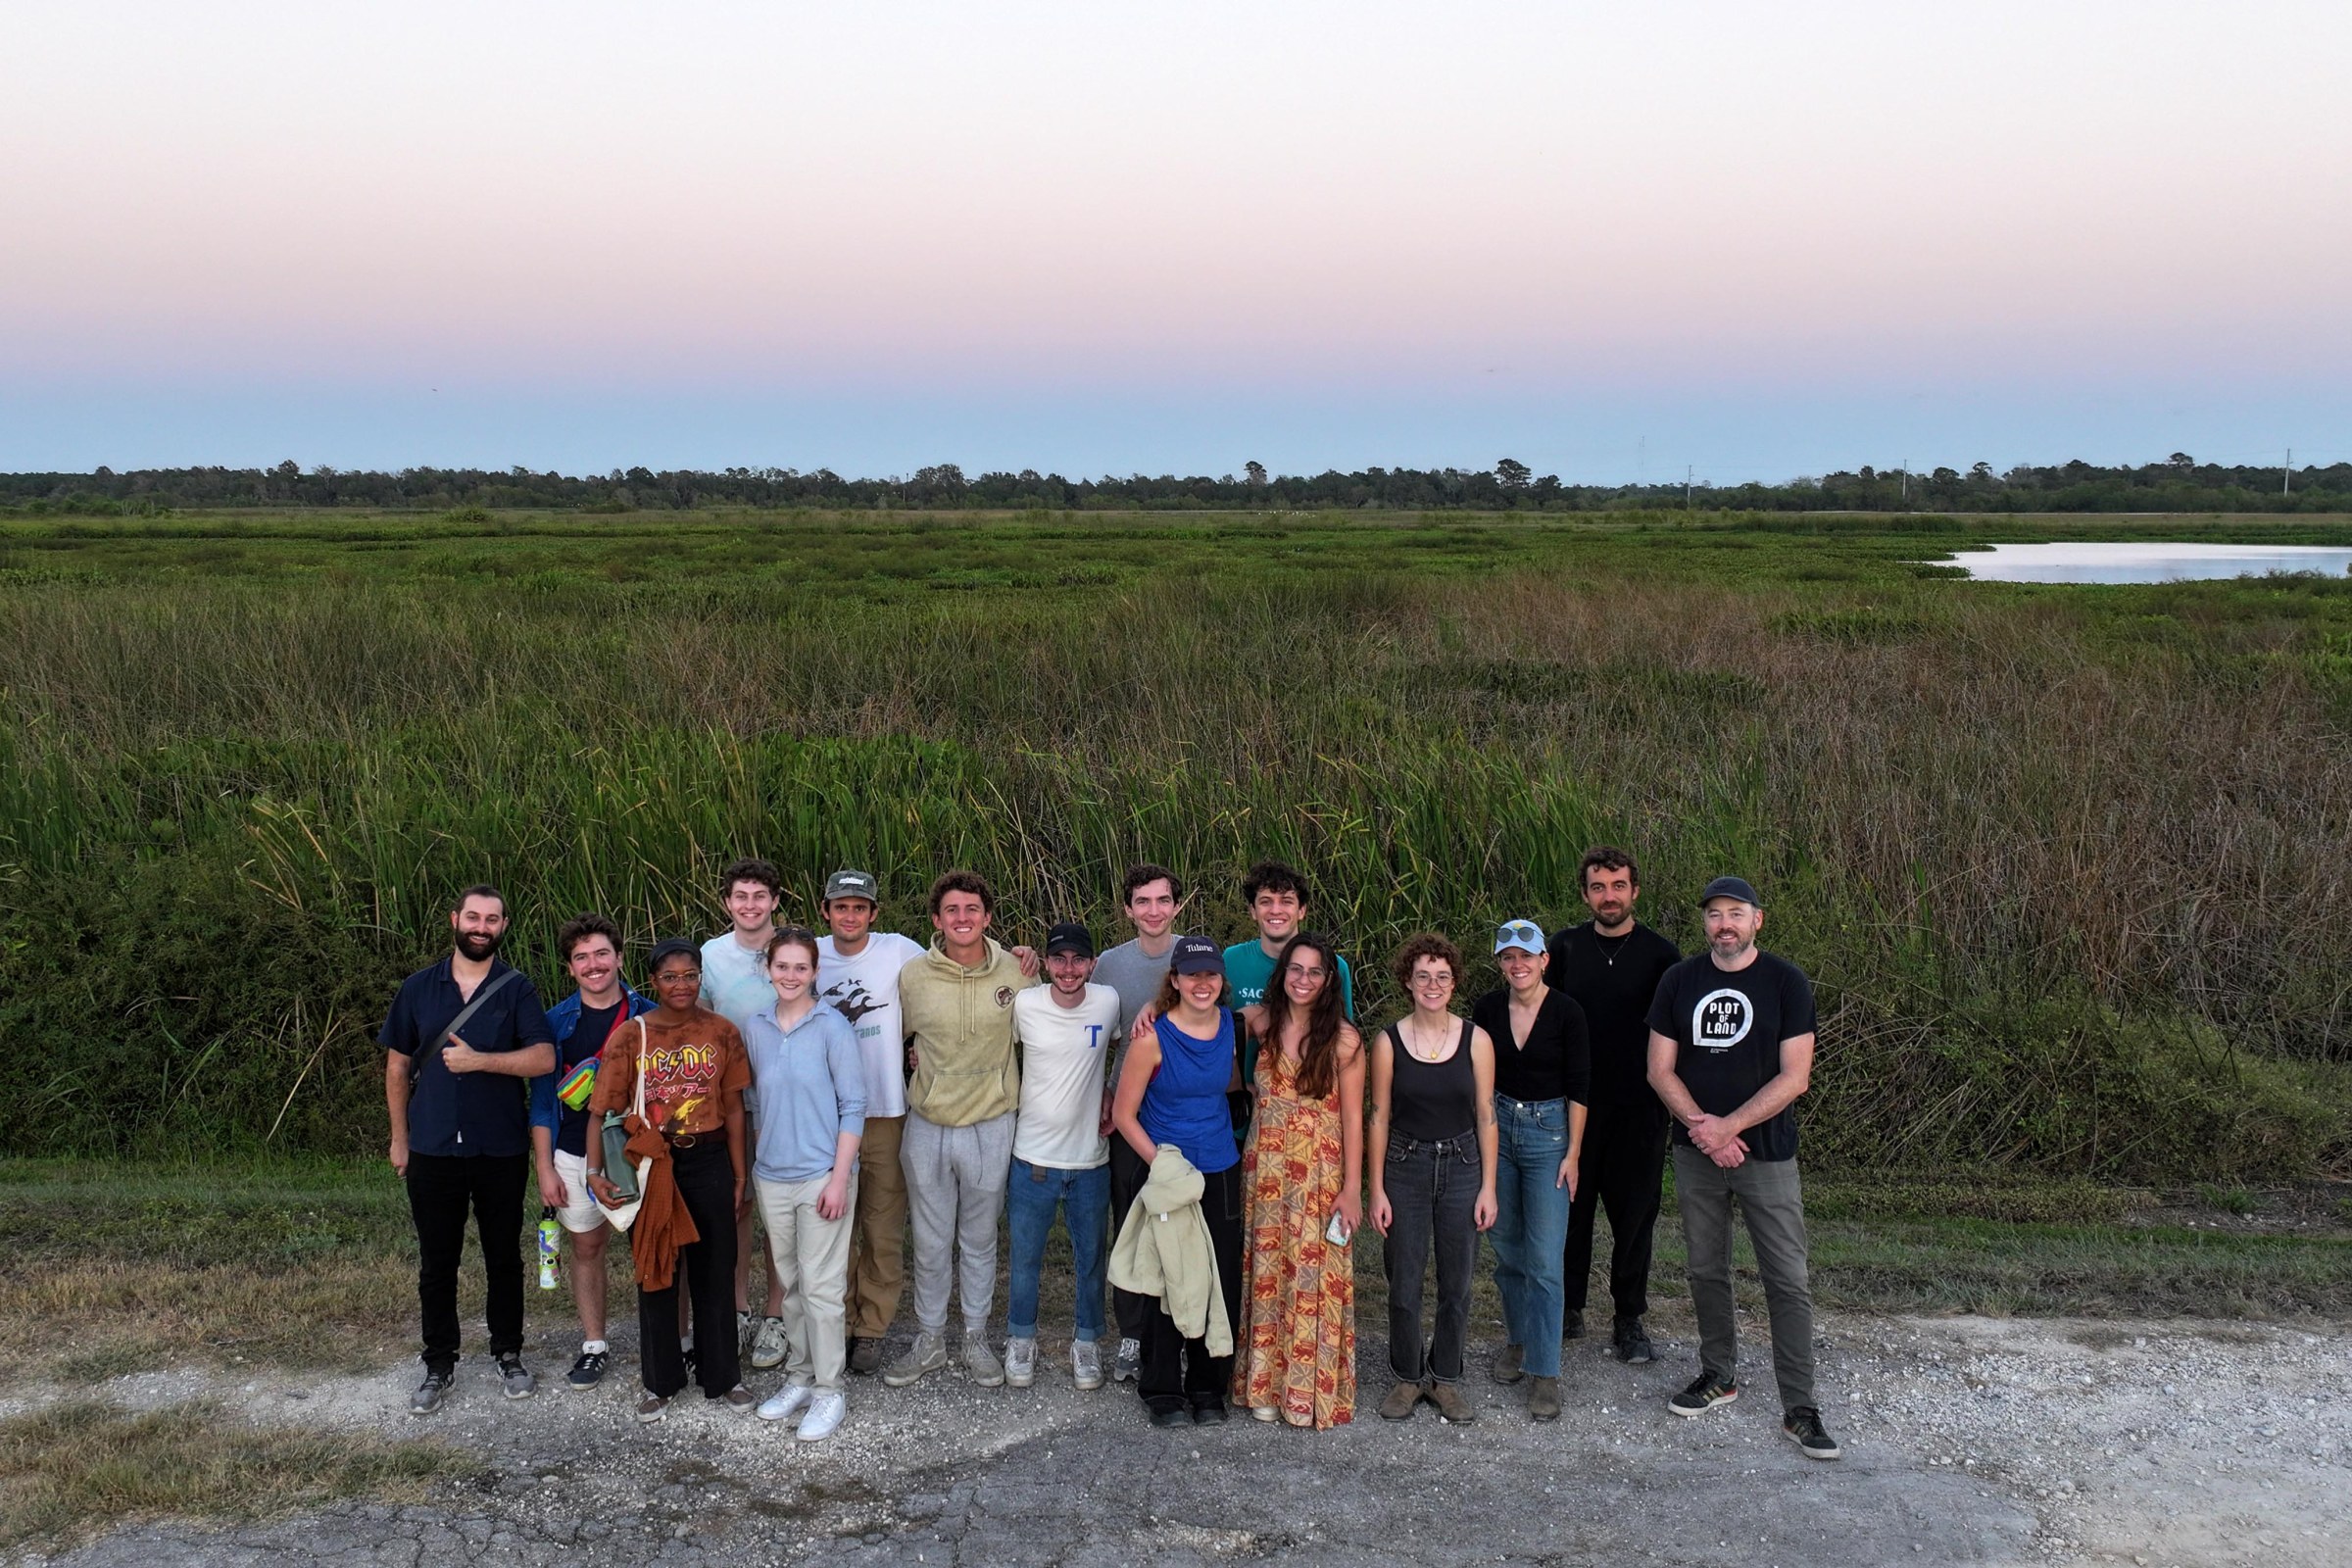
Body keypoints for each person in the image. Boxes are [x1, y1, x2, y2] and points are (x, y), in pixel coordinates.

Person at [1646, 876, 1840, 1461]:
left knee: (1786, 1278)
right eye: (1714, 915)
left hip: (1767, 1154)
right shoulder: (1679, 980)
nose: (1723, 924)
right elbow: (1659, 1069)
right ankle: (1718, 1375)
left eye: (1736, 913)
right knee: (1706, 1269)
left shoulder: (1785, 982)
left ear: (1759, 920)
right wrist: (1705, 1131)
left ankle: (1800, 1405)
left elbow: (1795, 1076)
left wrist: (1727, 1128)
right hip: (1697, 1154)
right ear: (1704, 923)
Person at [381, 884, 557, 1416]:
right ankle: (439, 1362)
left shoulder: (516, 989)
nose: (482, 927)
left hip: (498, 1145)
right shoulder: (417, 988)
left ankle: (508, 1352)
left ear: (503, 927)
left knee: (504, 1257)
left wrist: (484, 1061)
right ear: (456, 920)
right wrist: (399, 1138)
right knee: (438, 1261)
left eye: (493, 919)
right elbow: (395, 1067)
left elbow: (544, 1058)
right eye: (473, 917)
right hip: (431, 1146)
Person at [584, 938, 756, 1422]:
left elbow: (735, 1109)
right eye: (670, 977)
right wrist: (594, 1172)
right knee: (657, 1269)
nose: (681, 985)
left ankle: (723, 1377)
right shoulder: (632, 1036)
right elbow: (602, 1112)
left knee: (715, 1268)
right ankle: (660, 1381)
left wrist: (739, 1174)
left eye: (690, 975)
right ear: (653, 982)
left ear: (701, 978)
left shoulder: (721, 1032)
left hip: (709, 1159)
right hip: (652, 1163)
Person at [883, 870, 1037, 1390]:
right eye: (952, 910)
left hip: (992, 1123)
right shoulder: (912, 976)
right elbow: (887, 1041)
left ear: (988, 917)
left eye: (973, 909)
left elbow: (1043, 1037)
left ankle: (974, 1337)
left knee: (978, 1239)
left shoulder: (1018, 971)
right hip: (927, 1123)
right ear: (936, 919)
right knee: (928, 1240)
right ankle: (929, 1339)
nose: (963, 919)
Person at [1548, 846, 1682, 1363]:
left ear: (1635, 891)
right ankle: (1569, 1308)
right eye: (1599, 887)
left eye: (1619, 885)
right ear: (1585, 894)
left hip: (1640, 1111)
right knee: (1571, 1214)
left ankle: (1629, 1318)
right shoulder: (1562, 950)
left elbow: (1676, 1037)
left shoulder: (1663, 956)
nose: (1609, 896)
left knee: (1634, 1218)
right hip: (1573, 1109)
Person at [1110, 936, 1246, 1426]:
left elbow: (1298, 1013)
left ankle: (1208, 1386)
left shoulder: (1234, 1028)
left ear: (1220, 980)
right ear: (1175, 980)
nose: (1202, 984)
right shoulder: (1152, 1037)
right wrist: (1161, 1162)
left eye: (1210, 975)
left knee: (1220, 1276)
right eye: (1192, 975)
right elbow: (1125, 1115)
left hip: (1221, 1167)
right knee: (1167, 1277)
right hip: (1167, 1171)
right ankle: (1161, 1387)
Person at [1231, 931, 1363, 1429]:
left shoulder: (1345, 1039)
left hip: (1321, 1171)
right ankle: (1262, 1384)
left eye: (1314, 971)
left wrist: (1352, 1190)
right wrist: (1151, 1013)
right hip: (1265, 1162)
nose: (1303, 979)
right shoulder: (1262, 1021)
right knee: (1266, 1268)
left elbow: (1354, 1118)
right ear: (1281, 974)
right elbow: (1201, 1029)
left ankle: (1306, 1390)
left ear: (1329, 980)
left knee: (1312, 1275)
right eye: (1295, 969)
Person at [1367, 933, 1496, 1424]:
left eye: (1442, 976)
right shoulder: (1388, 1041)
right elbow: (1378, 1115)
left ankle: (1445, 1378)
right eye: (1423, 975)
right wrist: (1375, 1187)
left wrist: (1489, 1186)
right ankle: (1405, 1375)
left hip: (1463, 1165)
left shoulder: (1475, 1039)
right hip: (1405, 1164)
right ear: (1408, 981)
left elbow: (1486, 1114)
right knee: (1403, 1279)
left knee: (1457, 1281)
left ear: (1454, 982)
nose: (1433, 984)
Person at [743, 928, 865, 1442]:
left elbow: (853, 1107)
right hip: (772, 1175)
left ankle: (830, 1389)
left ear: (815, 972)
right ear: (767, 969)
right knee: (790, 1285)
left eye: (800, 967)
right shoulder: (755, 1027)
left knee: (822, 1288)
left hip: (822, 1177)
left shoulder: (832, 1026)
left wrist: (839, 1180)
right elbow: (753, 1105)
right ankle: (798, 1376)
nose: (790, 976)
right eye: (781, 966)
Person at [528, 912, 654, 1390]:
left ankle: (669, 1343)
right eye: (581, 957)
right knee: (587, 1245)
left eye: (602, 953)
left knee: (656, 1246)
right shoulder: (555, 1023)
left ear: (619, 957)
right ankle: (594, 1345)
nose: (594, 964)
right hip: (573, 1153)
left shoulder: (649, 1014)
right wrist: (544, 1168)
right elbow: (541, 1104)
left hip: (639, 1151)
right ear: (570, 967)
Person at [810, 868, 927, 1377]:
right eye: (841, 906)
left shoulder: (900, 949)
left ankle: (872, 1328)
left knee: (880, 1227)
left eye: (859, 907)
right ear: (826, 911)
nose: (850, 915)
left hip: (884, 1111)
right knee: (829, 1227)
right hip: (824, 1116)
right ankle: (831, 1320)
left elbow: (954, 971)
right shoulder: (808, 955)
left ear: (873, 913)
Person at [1470, 920, 1589, 1420]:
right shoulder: (1487, 1009)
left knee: (1543, 1258)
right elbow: (1477, 1079)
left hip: (1549, 1134)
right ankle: (1518, 1340)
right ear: (1500, 963)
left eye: (1527, 956)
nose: (1517, 965)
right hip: (1499, 1126)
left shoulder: (1566, 1012)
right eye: (1508, 957)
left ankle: (1545, 1370)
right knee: (1508, 1248)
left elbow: (1581, 1085)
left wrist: (1574, 1153)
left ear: (1544, 960)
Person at [1003, 922, 1121, 1391]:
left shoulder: (1108, 1001)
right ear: (1046, 964)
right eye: (1058, 960)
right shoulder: (1026, 1003)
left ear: (1092, 964)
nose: (1068, 970)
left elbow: (1131, 1044)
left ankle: (1087, 1343)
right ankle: (1020, 1339)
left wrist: (1113, 1092)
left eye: (1078, 960)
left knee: (1090, 1258)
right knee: (1025, 1258)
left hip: (1090, 1160)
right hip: (1032, 1159)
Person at [1093, 863, 1186, 1385]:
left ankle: (1177, 1332)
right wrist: (1106, 1093)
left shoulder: (1195, 956)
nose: (1153, 911)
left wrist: (1162, 999)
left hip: (1183, 1113)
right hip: (1130, 1116)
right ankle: (1132, 1334)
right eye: (1142, 902)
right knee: (1130, 1221)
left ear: (1176, 905)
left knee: (1181, 1227)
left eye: (1162, 900)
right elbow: (1099, 1035)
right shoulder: (1109, 964)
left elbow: (1215, 1013)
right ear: (1128, 909)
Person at [698, 858, 791, 1373]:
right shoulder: (711, 955)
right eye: (741, 896)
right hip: (726, 1103)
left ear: (775, 900)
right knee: (735, 1207)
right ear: (728, 902)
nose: (750, 905)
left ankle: (777, 1315)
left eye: (760, 896)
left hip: (784, 1104)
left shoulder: (800, 949)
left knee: (778, 1210)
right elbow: (701, 1025)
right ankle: (737, 1309)